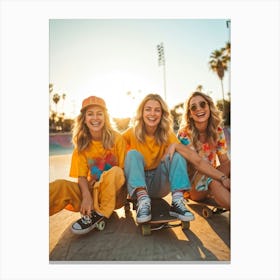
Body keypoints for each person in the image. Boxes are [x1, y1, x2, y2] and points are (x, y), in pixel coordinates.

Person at [122, 93, 230, 224]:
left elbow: (209, 161)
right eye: (148, 109)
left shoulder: (167, 135)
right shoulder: (130, 133)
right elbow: (114, 153)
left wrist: (225, 179)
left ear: (162, 114)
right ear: (141, 112)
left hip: (159, 185)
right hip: (139, 184)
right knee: (133, 154)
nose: (152, 113)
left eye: (157, 110)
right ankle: (143, 200)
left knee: (178, 153)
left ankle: (177, 202)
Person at [49, 96, 127, 235]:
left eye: (99, 113)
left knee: (115, 171)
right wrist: (86, 196)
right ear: (84, 119)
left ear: (105, 117)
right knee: (59, 186)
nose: (95, 118)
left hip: (115, 197)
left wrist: (100, 182)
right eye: (90, 114)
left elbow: (122, 173)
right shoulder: (81, 146)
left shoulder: (117, 138)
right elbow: (82, 177)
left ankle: (97, 214)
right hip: (92, 195)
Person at [176, 91, 230, 210]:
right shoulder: (184, 134)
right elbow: (199, 165)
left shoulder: (218, 130)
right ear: (190, 114)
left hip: (214, 176)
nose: (198, 109)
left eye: (202, 104)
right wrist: (223, 178)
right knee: (211, 179)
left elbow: (224, 161)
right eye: (193, 107)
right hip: (193, 188)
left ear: (209, 107)